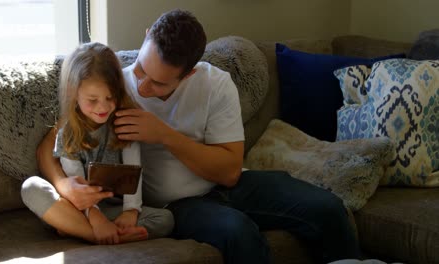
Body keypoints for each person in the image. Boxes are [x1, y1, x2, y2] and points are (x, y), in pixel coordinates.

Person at [35, 9, 361, 263]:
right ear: (147, 36)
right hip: (179, 204)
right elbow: (55, 141)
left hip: (230, 184)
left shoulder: (215, 84)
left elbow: (230, 173)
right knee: (238, 233)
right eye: (141, 70)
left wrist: (163, 134)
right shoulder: (112, 88)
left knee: (328, 207)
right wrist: (64, 185)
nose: (143, 86)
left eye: (159, 83)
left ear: (189, 72)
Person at [21, 42, 174, 245]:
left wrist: (130, 211)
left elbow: (133, 171)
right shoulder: (69, 133)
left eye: (110, 97)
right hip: (77, 208)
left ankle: (87, 231)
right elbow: (78, 186)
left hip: (114, 209)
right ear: (74, 94)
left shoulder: (124, 124)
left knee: (166, 219)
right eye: (92, 100)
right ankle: (95, 235)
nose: (103, 107)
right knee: (31, 188)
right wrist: (96, 220)